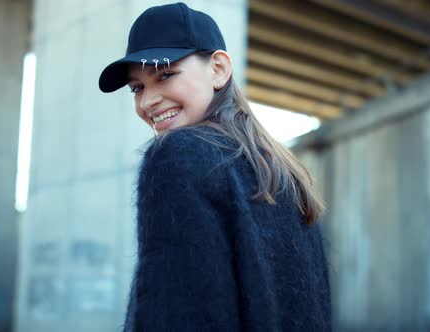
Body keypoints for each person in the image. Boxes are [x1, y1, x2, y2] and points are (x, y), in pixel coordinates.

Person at [99, 3, 331, 331]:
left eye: (165, 74)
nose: (147, 100)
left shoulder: (178, 156)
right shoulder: (283, 174)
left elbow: (177, 316)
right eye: (137, 87)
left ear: (219, 69)